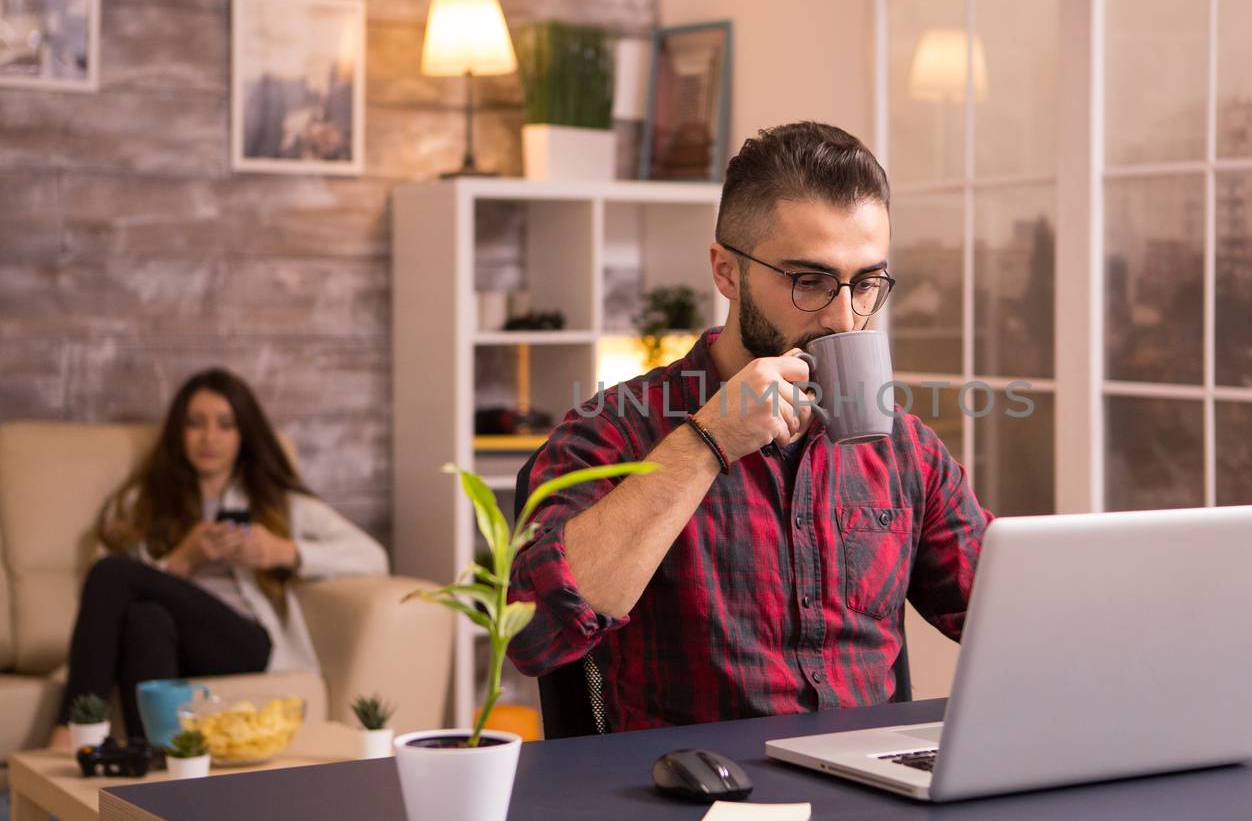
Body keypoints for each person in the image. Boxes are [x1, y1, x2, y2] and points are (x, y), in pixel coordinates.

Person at [509, 121, 994, 731]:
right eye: (810, 281)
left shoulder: (906, 452)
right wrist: (707, 442)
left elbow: (1008, 619)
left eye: (868, 283)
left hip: (870, 803)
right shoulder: (612, 432)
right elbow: (536, 634)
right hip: (693, 803)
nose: (847, 317)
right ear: (726, 272)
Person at [47, 369, 388, 749]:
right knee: (146, 620)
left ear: (244, 435)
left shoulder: (277, 503)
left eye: (225, 425)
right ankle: (157, 767)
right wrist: (181, 561)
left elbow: (372, 555)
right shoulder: (144, 501)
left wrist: (282, 551)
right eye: (196, 424)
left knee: (111, 572)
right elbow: (109, 599)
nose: (209, 438)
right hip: (174, 643)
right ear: (179, 432)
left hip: (243, 642)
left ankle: (71, 732)